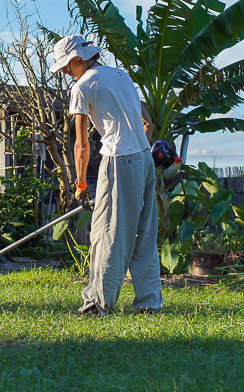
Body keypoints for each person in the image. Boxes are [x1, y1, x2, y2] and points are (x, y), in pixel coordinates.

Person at [50, 34, 164, 315]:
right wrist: (137, 141)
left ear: (78, 59)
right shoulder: (121, 75)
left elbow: (81, 144)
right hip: (143, 158)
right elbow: (147, 122)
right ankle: (149, 303)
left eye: (66, 66)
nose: (65, 71)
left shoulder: (82, 87)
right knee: (144, 233)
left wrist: (80, 183)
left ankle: (98, 303)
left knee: (110, 233)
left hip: (119, 161)